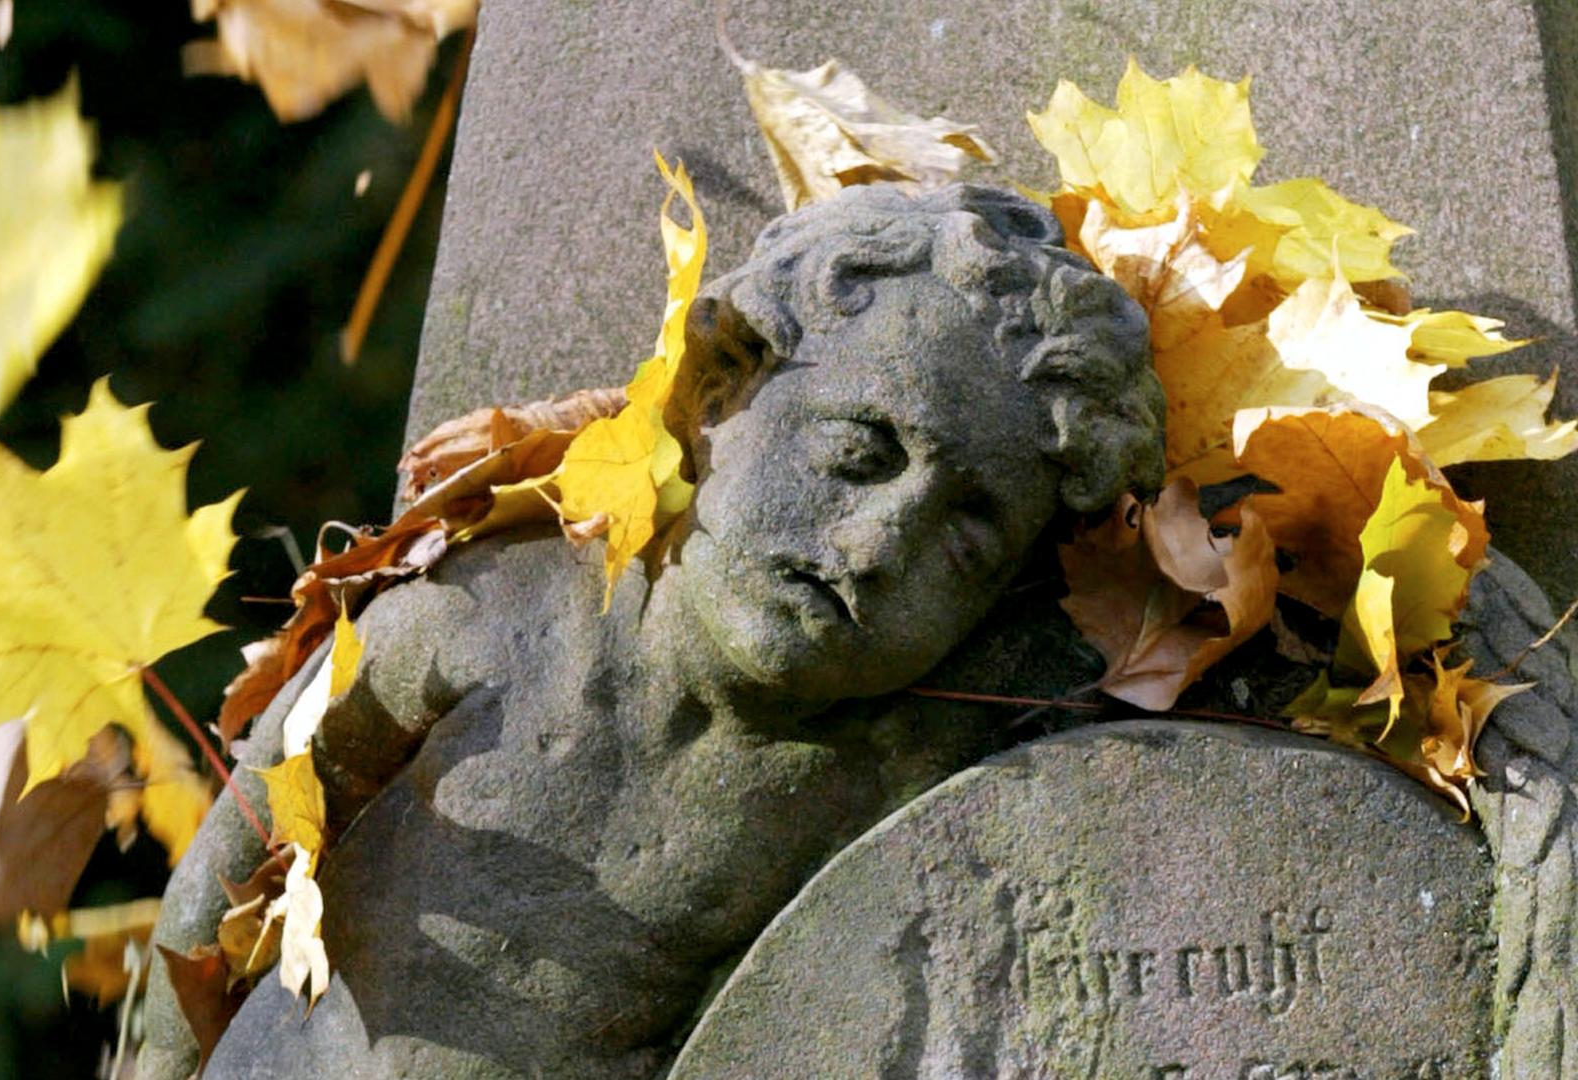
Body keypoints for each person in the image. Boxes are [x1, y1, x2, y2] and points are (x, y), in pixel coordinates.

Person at [143, 183, 1166, 1079]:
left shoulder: (908, 763)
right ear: (721, 384)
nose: (875, 547)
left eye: (969, 543)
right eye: (860, 449)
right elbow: (253, 818)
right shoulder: (494, 610)